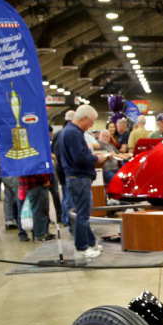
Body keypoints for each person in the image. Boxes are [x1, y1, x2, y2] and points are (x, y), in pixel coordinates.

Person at [54, 104, 106, 261]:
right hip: (79, 178)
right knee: (82, 215)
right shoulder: (74, 134)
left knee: (83, 214)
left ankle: (91, 243)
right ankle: (82, 248)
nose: (91, 126)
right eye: (91, 122)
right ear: (84, 118)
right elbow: (80, 158)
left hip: (74, 177)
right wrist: (97, 158)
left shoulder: (68, 132)